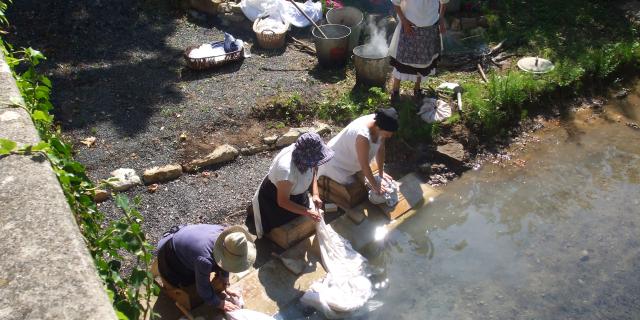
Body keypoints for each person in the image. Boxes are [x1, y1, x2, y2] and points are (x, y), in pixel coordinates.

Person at [246, 132, 335, 238]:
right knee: (280, 223)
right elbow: (283, 201)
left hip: (296, 194)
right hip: (275, 200)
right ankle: (256, 214)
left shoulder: (305, 156)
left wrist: (315, 194)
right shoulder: (286, 171)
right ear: (305, 158)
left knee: (302, 211)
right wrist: (308, 212)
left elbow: (314, 169)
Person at [156, 224, 256, 312]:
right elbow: (203, 290)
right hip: (170, 253)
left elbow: (227, 259)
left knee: (207, 269)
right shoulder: (204, 259)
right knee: (189, 287)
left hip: (186, 239)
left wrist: (225, 281)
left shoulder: (226, 237)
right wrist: (220, 303)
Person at [318, 108, 399, 195]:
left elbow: (381, 148)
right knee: (356, 191)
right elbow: (364, 165)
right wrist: (376, 186)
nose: (389, 136)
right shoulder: (363, 137)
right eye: (387, 134)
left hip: (354, 159)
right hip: (335, 164)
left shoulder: (381, 122)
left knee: (364, 182)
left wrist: (381, 173)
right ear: (378, 127)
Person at [388, 0, 448, 100]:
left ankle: (417, 89)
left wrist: (441, 20)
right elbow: (396, 3)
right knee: (401, 61)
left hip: (430, 28)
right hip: (409, 27)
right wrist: (404, 21)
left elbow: (444, 2)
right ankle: (395, 90)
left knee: (423, 62)